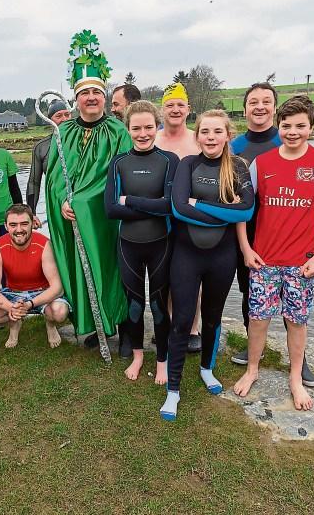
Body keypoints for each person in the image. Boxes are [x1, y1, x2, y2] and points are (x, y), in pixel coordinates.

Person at [232, 96, 314, 410]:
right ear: (279, 126)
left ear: (311, 128)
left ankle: (295, 377)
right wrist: (246, 248)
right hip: (264, 259)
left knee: (297, 320)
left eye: (300, 126)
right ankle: (252, 369)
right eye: (287, 125)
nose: (293, 132)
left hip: (301, 262)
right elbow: (243, 209)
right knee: (258, 318)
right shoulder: (261, 164)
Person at [160, 110, 255, 422]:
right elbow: (178, 208)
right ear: (197, 135)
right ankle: (173, 389)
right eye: (205, 132)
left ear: (227, 135)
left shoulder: (238, 167)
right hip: (186, 256)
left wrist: (199, 204)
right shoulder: (188, 164)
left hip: (222, 257)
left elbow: (246, 211)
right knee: (182, 320)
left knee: (212, 318)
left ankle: (206, 369)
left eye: (217, 132)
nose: (211, 137)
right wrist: (224, 211)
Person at [45, 30, 132, 351]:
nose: (91, 98)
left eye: (97, 92)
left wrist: (85, 200)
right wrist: (62, 201)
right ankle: (98, 324)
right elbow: (54, 177)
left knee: (113, 269)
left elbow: (123, 173)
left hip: (108, 217)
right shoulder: (63, 132)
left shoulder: (118, 131)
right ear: (76, 99)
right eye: (85, 93)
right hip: (75, 216)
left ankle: (124, 326)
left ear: (105, 97)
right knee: (85, 269)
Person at [105, 100, 179, 382]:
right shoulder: (119, 162)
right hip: (129, 245)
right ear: (128, 129)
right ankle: (137, 356)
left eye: (148, 127)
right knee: (134, 304)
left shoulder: (169, 160)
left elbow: (170, 206)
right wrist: (152, 205)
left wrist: (130, 200)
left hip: (161, 243)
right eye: (136, 128)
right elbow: (111, 209)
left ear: (157, 126)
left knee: (159, 305)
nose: (143, 133)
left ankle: (162, 360)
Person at [0, 204, 70, 348]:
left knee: (59, 312)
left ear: (32, 223)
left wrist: (30, 304)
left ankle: (50, 324)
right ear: (6, 226)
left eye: (24, 224)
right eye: (13, 225)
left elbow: (57, 287)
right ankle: (14, 321)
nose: (19, 229)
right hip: (13, 293)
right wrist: (11, 308)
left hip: (41, 292)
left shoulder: (44, 244)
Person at [155, 82, 203, 354]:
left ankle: (193, 327)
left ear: (188, 109)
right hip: (159, 218)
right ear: (162, 110)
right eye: (170, 105)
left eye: (180, 105)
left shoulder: (198, 139)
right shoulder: (153, 139)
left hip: (191, 219)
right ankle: (169, 324)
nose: (175, 110)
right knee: (163, 276)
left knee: (191, 276)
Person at [26, 100, 72, 227]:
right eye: (58, 116)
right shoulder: (42, 147)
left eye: (67, 115)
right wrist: (31, 212)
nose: (64, 119)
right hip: (55, 202)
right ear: (49, 120)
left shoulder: (82, 140)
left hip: (81, 200)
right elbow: (34, 183)